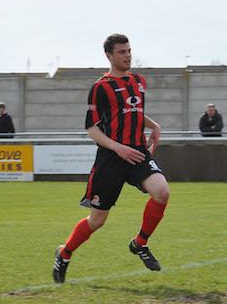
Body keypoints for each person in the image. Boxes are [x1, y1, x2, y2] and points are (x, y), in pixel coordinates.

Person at [52, 33, 170, 284]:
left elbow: (134, 111)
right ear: (109, 56)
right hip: (111, 158)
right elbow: (92, 129)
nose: (127, 56)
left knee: (162, 192)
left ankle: (140, 243)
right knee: (98, 220)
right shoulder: (100, 88)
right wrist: (118, 148)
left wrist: (154, 125)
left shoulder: (139, 82)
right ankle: (65, 253)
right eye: (121, 52)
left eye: (129, 51)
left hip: (137, 151)